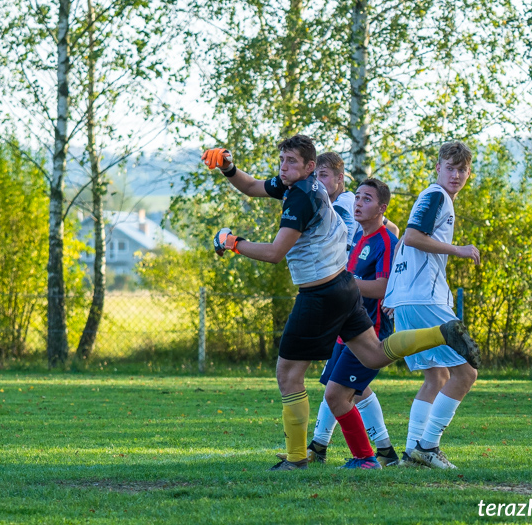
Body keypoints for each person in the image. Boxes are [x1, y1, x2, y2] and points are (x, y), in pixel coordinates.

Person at [202, 136, 480, 470]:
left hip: (319, 295)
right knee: (374, 355)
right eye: (281, 160)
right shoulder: (302, 187)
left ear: (309, 168)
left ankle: (296, 460)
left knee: (288, 374)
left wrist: (235, 243)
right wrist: (228, 167)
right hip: (345, 287)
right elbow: (251, 187)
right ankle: (439, 333)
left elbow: (276, 253)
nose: (283, 167)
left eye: (291, 161)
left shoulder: (302, 197)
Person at [383, 142, 480, 469]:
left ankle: (412, 454)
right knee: (466, 372)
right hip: (426, 298)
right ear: (437, 168)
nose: (455, 175)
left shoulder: (433, 197)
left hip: (409, 299)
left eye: (462, 169)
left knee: (436, 377)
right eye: (449, 167)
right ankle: (428, 446)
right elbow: (410, 237)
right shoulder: (437, 196)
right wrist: (459, 250)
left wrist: (392, 296)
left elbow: (401, 246)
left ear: (468, 173)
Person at [309, 178, 401, 469]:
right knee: (354, 391)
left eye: (367, 199)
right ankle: (384, 452)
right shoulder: (360, 238)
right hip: (346, 330)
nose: (359, 203)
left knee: (336, 395)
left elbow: (383, 287)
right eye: (358, 197)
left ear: (381, 208)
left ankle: (364, 458)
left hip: (369, 333)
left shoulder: (386, 241)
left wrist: (344, 282)